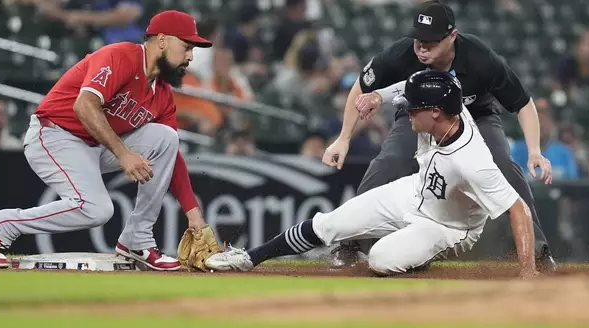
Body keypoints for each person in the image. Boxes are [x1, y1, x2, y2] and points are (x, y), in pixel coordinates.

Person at [205, 70, 540, 279]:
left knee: (381, 260)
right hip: (413, 191)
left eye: (414, 107)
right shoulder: (445, 102)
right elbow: (412, 86)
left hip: (448, 227)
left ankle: (415, 259)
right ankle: (250, 258)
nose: (407, 110)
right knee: (329, 223)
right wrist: (378, 96)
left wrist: (528, 272)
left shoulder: (473, 161)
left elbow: (517, 209)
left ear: (436, 112)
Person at [322, 0, 556, 271]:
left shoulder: (479, 57)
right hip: (419, 116)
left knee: (505, 166)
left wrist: (534, 150)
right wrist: (344, 138)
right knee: (390, 161)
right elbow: (361, 87)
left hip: (477, 116)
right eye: (418, 40)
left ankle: (538, 251)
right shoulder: (400, 54)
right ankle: (349, 244)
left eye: (431, 41)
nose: (422, 47)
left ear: (452, 37)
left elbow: (523, 104)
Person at [0, 10, 218, 271]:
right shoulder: (120, 56)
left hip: (96, 145)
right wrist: (123, 153)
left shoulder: (162, 94)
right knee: (97, 210)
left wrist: (193, 213)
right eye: (186, 46)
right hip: (54, 133)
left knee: (166, 138)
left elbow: (170, 155)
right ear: (162, 40)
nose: (190, 56)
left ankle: (137, 239)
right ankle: (2, 224)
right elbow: (85, 106)